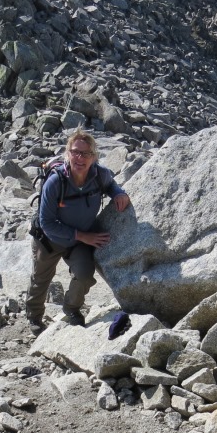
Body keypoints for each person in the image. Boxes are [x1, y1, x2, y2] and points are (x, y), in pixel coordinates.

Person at [25, 130, 131, 334]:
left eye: (86, 153)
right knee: (41, 279)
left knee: (84, 275)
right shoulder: (55, 181)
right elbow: (46, 222)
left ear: (94, 157)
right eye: (75, 152)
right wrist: (83, 236)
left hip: (79, 241)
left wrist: (119, 194)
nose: (80, 158)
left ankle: (71, 309)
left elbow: (111, 185)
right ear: (68, 153)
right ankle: (34, 318)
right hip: (49, 239)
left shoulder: (100, 175)